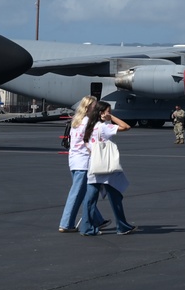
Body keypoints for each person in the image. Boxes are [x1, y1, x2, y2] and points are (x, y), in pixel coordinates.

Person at [79, 101, 136, 236]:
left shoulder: (90, 127)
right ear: (101, 113)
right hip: (107, 167)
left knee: (91, 199)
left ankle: (87, 227)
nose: (109, 113)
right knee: (115, 196)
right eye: (108, 111)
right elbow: (126, 127)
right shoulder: (104, 127)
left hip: (95, 165)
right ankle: (121, 226)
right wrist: (112, 117)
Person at [58, 96, 107, 233]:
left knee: (84, 193)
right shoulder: (88, 123)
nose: (97, 109)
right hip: (84, 161)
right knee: (77, 193)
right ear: (88, 108)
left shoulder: (76, 121)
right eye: (94, 106)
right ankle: (66, 223)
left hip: (74, 160)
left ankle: (97, 220)